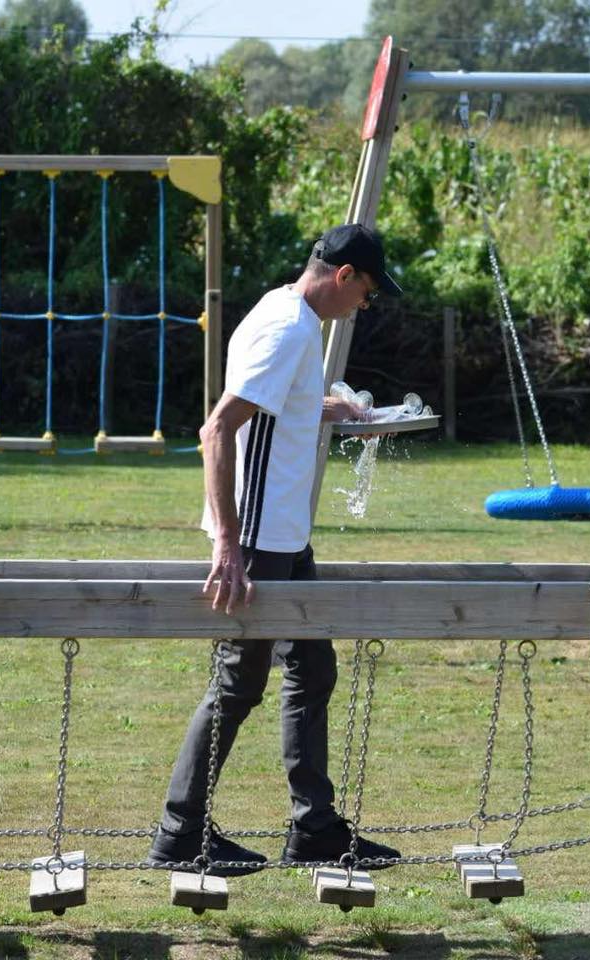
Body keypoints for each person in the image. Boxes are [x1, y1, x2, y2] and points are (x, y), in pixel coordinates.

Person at [149, 224, 404, 874]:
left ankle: (313, 828)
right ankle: (181, 832)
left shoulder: (282, 311)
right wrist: (229, 544)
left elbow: (274, 409)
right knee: (238, 684)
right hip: (257, 540)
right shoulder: (289, 327)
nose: (364, 307)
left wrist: (332, 412)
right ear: (344, 275)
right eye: (367, 293)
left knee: (313, 670)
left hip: (285, 536)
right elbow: (218, 428)